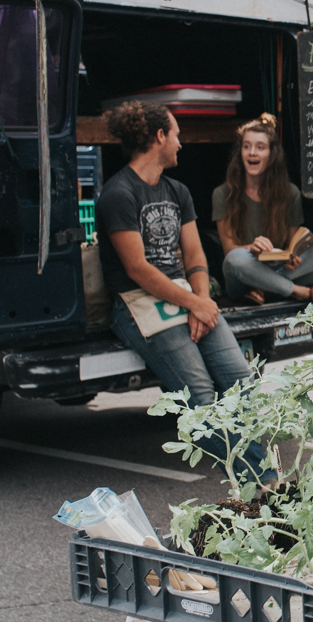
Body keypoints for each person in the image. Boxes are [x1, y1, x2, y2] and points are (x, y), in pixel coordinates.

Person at [96, 101, 271, 481]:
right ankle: (257, 480)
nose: (181, 143)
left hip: (184, 295)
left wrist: (201, 301)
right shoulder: (118, 194)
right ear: (159, 137)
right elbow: (136, 268)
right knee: (201, 398)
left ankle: (265, 480)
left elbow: (194, 254)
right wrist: (193, 301)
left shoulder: (177, 190)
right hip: (138, 302)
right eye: (176, 134)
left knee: (243, 384)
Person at [213, 114, 313, 304]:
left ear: (271, 154)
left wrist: (292, 258)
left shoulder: (289, 192)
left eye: (260, 147)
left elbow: (291, 246)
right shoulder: (222, 194)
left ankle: (266, 288)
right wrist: (252, 247)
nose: (252, 153)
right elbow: (229, 251)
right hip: (243, 279)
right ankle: (303, 293)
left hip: (281, 271)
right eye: (246, 146)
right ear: (240, 152)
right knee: (235, 258)